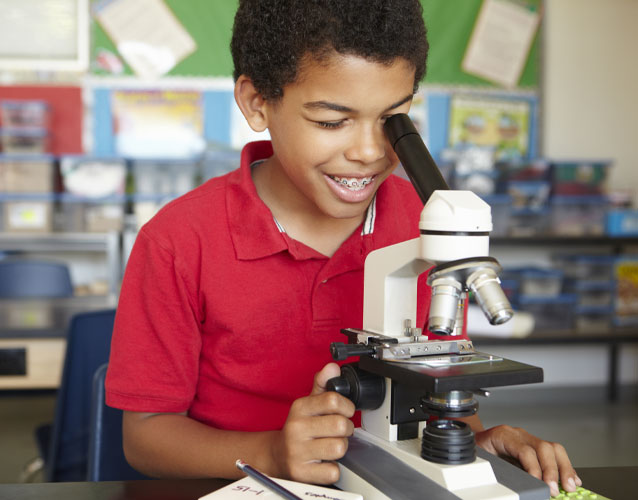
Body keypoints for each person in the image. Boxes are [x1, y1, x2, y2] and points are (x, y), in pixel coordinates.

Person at [106, 0, 580, 496]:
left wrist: (478, 443)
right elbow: (145, 439)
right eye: (332, 121)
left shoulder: (424, 220)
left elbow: (439, 381)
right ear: (256, 102)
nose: (370, 152)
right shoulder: (180, 240)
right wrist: (273, 453)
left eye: (393, 118)